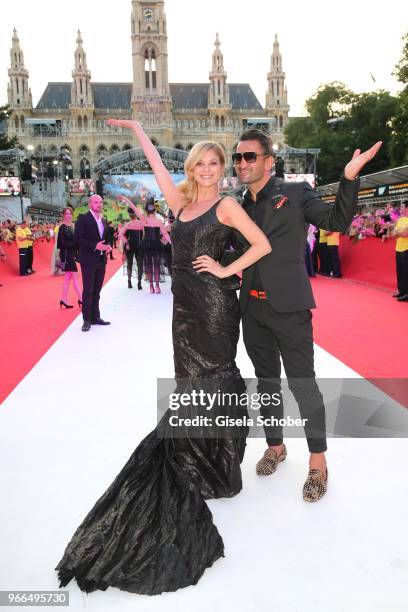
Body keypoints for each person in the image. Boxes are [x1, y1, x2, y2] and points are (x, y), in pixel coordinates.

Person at [55, 118, 271, 595]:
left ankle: (219, 459)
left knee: (217, 376)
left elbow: (262, 244)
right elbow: (155, 164)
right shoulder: (182, 202)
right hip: (184, 311)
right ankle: (198, 456)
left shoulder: (228, 205)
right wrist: (137, 130)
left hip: (215, 307)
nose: (211, 169)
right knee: (189, 381)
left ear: (223, 170)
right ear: (194, 167)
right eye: (204, 163)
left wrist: (225, 267)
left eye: (218, 163)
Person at [233, 128, 382, 502]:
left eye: (249, 156)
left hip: (290, 308)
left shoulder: (295, 193)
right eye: (237, 157)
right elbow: (233, 252)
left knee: (303, 385)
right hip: (251, 310)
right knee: (266, 383)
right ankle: (276, 446)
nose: (241, 163)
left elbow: (336, 221)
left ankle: (318, 460)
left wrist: (349, 179)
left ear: (269, 161)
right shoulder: (238, 205)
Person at [74, 195, 112, 332]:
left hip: (101, 260)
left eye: (101, 202)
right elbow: (77, 239)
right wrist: (95, 246)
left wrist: (108, 246)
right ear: (90, 204)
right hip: (88, 260)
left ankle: (96, 317)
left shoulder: (104, 220)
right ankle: (86, 320)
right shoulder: (83, 219)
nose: (99, 205)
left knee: (97, 291)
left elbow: (106, 239)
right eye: (96, 202)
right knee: (88, 291)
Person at [57, 207, 82, 309]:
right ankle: (82, 299)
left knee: (68, 278)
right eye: (66, 214)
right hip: (67, 255)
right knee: (75, 276)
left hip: (72, 254)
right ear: (63, 215)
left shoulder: (74, 226)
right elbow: (62, 243)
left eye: (70, 213)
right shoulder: (62, 227)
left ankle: (64, 299)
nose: (69, 215)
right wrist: (75, 244)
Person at [117, 198, 145, 290]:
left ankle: (129, 281)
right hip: (140, 245)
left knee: (129, 263)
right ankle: (139, 283)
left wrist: (126, 242)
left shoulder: (128, 224)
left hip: (129, 245)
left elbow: (120, 234)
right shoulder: (141, 224)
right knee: (140, 264)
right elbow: (144, 235)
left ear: (129, 215)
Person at [392, 205, 408, 302]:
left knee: (406, 273)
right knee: (400, 272)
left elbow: (405, 234)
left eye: (402, 207)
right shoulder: (400, 220)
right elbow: (394, 234)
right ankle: (401, 291)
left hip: (406, 248)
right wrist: (399, 232)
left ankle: (407, 293)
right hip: (398, 248)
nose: (400, 209)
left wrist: (399, 232)